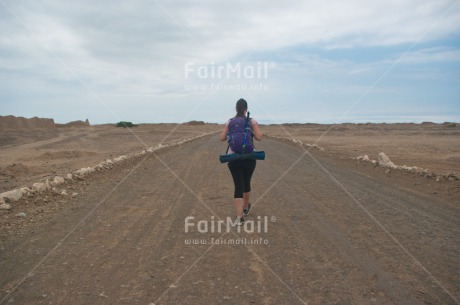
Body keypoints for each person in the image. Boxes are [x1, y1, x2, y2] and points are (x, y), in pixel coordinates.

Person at [219, 99, 263, 225]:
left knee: (238, 185)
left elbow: (222, 138)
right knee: (246, 183)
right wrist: (251, 132)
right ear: (246, 108)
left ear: (236, 108)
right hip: (249, 156)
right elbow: (259, 137)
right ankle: (245, 208)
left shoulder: (230, 121)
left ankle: (239, 218)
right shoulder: (251, 121)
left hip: (233, 158)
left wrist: (230, 136)